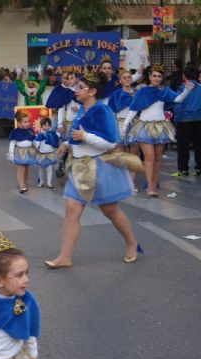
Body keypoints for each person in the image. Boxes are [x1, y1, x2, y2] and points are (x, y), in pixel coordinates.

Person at [46, 70, 143, 269]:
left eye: (80, 88)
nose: (76, 91)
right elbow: (77, 134)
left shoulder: (102, 111)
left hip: (100, 167)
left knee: (111, 211)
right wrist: (67, 144)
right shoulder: (83, 111)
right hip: (80, 167)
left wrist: (85, 138)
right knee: (71, 210)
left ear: (92, 91)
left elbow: (110, 142)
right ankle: (64, 257)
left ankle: (132, 243)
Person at [122, 64, 195, 197]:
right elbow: (134, 108)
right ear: (149, 77)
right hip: (144, 127)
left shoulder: (164, 90)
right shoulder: (143, 91)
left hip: (160, 126)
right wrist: (125, 125)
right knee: (149, 157)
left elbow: (177, 99)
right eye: (154, 76)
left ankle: (154, 184)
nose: (156, 78)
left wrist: (187, 90)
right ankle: (150, 186)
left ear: (162, 78)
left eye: (159, 76)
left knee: (157, 158)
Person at [108, 68, 139, 190]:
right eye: (124, 77)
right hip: (120, 123)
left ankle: (131, 183)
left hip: (135, 123)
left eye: (129, 77)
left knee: (134, 156)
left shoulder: (137, 92)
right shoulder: (116, 94)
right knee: (121, 155)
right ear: (120, 80)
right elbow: (110, 109)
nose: (127, 79)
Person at [172, 64, 201, 177]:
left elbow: (178, 106)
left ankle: (183, 170)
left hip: (184, 121)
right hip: (199, 120)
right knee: (199, 145)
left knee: (183, 147)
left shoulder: (182, 88)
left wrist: (176, 121)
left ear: (184, 76)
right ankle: (199, 168)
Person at [7, 111, 37, 193]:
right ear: (19, 123)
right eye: (25, 122)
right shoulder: (15, 132)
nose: (28, 123)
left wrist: (36, 147)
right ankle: (21, 185)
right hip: (20, 152)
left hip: (28, 151)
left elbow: (33, 140)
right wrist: (11, 153)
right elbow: (12, 143)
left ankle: (24, 183)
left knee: (26, 168)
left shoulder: (30, 130)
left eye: (28, 121)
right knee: (21, 169)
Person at [45, 67, 78, 139]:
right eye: (65, 78)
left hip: (73, 119)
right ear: (61, 78)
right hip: (59, 118)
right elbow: (53, 105)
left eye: (69, 78)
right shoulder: (57, 89)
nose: (67, 80)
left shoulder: (77, 89)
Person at [34, 117, 59, 188]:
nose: (47, 127)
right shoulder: (39, 135)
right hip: (41, 155)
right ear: (41, 126)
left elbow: (57, 137)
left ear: (50, 126)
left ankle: (49, 183)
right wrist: (36, 149)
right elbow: (37, 143)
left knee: (49, 169)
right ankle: (41, 182)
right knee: (41, 169)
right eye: (45, 125)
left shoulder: (52, 134)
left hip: (50, 154)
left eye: (48, 125)